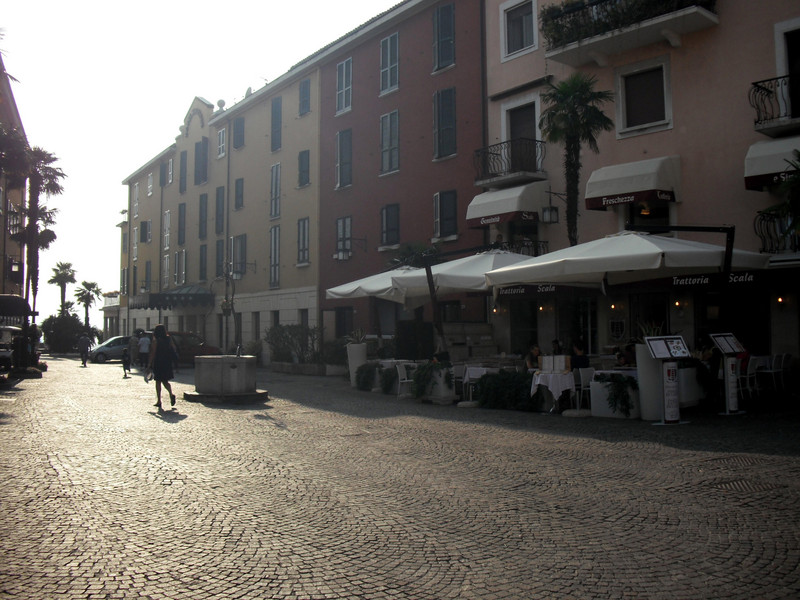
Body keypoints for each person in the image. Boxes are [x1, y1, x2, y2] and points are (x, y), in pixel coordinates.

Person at [147, 324, 177, 410]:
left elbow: (153, 352)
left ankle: (159, 401)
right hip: (167, 362)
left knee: (158, 382)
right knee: (165, 381)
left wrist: (149, 365)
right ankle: (171, 394)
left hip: (158, 362)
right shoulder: (168, 339)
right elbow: (174, 348)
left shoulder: (155, 340)